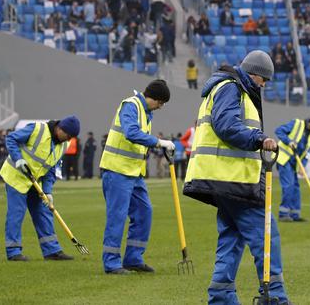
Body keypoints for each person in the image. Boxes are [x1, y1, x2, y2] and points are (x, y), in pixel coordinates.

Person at [183, 50, 290, 304]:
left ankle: (221, 297)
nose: (264, 85)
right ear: (255, 74)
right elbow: (226, 125)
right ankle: (275, 297)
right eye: (264, 80)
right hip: (232, 180)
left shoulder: (230, 87)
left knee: (231, 239)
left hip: (224, 179)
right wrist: (259, 138)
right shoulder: (231, 87)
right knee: (266, 235)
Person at [100, 79, 174, 274]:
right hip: (117, 170)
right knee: (117, 216)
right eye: (160, 103)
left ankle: (133, 258)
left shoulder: (146, 112)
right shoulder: (131, 105)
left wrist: (159, 146)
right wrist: (159, 142)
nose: (161, 107)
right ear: (153, 98)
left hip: (134, 173)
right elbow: (131, 133)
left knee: (144, 212)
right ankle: (111, 263)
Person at [0, 116, 80, 261]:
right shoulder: (37, 129)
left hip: (35, 181)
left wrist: (48, 192)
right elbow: (11, 139)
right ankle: (13, 251)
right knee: (16, 214)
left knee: (44, 213)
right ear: (60, 128)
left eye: (71, 138)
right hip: (16, 177)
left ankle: (52, 250)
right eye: (67, 136)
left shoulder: (63, 145)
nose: (68, 140)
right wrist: (18, 159)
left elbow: (51, 169)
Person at [275, 113, 310, 222]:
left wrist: (303, 166)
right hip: (284, 160)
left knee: (296, 188)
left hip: (295, 164)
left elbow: (308, 152)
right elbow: (278, 130)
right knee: (289, 186)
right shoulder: (296, 124)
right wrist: (289, 142)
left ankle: (295, 215)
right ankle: (283, 214)